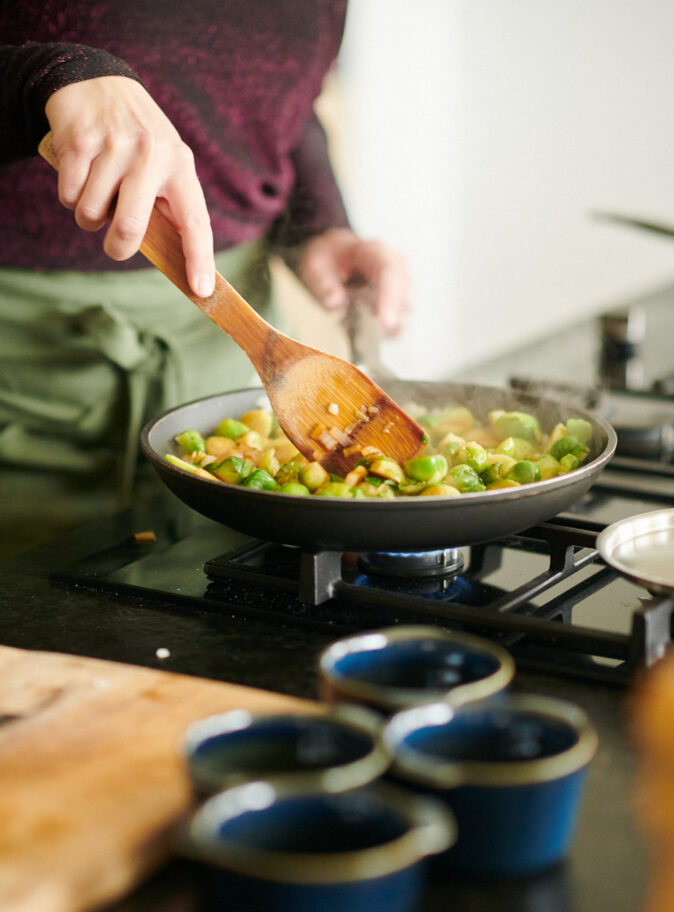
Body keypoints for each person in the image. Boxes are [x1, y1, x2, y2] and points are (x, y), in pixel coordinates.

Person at [0, 2, 411, 558]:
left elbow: (278, 99)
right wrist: (49, 76)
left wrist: (321, 224)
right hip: (23, 365)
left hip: (228, 357)